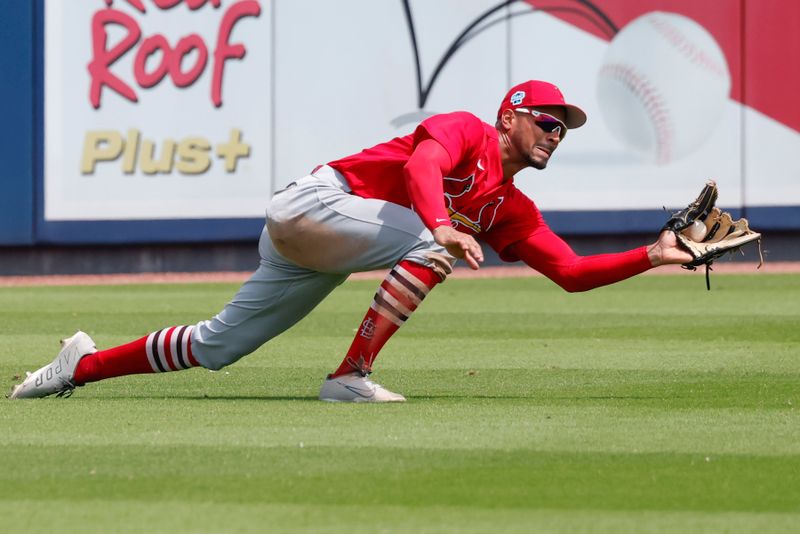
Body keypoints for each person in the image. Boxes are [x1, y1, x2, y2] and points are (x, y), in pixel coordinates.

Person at [10, 80, 693, 402]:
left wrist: (654, 255)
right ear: (509, 116)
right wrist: (442, 226)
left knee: (219, 346)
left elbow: (570, 271)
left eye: (563, 129)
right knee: (437, 246)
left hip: (334, 246)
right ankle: (348, 377)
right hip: (317, 204)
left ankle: (79, 366)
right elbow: (424, 167)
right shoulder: (467, 131)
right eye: (545, 120)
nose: (553, 134)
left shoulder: (511, 206)